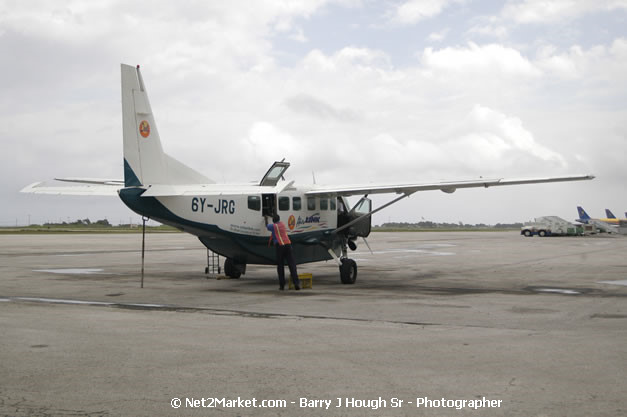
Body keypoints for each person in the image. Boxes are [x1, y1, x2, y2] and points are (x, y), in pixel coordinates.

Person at [266, 214, 300, 290]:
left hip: (280, 246)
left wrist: (265, 219)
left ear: (273, 220)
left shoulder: (273, 226)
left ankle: (282, 285)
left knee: (280, 266)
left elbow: (267, 226)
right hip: (288, 245)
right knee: (292, 265)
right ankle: (296, 283)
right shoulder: (282, 224)